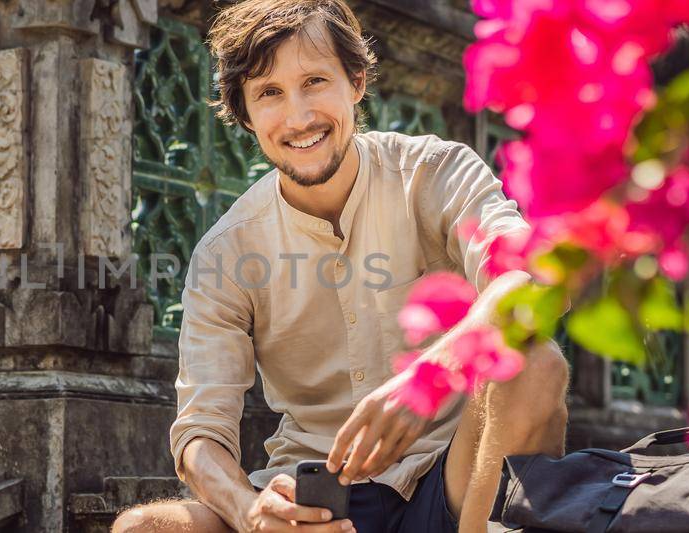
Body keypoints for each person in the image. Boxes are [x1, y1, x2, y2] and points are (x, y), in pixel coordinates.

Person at [111, 1, 569, 532]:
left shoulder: (433, 171)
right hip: (313, 501)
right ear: (244, 113)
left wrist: (434, 372)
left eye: (315, 81)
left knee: (536, 364)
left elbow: (525, 276)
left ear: (355, 81)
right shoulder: (226, 252)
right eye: (269, 93)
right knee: (144, 528)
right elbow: (198, 434)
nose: (299, 116)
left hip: (455, 480)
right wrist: (252, 512)